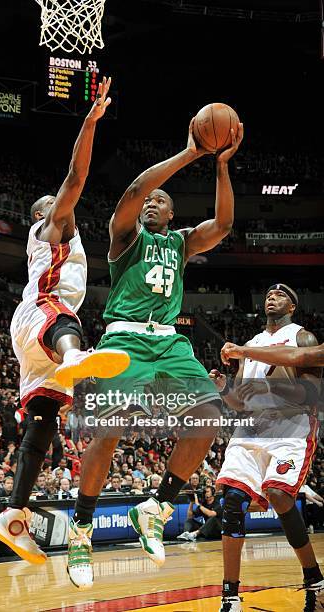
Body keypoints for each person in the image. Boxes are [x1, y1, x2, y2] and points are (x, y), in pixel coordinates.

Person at [68, 118, 243, 589]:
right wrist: (190, 153)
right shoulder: (126, 239)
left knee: (210, 416)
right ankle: (81, 528)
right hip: (124, 340)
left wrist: (221, 165)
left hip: (168, 341)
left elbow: (224, 224)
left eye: (160, 201)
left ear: (171, 215)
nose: (150, 202)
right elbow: (132, 190)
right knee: (108, 432)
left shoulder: (182, 243)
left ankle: (157, 505)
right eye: (149, 200)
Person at [0, 79, 130, 565]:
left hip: (32, 340)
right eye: (51, 202)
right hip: (43, 316)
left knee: (45, 422)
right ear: (40, 215)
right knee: (68, 325)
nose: (60, 203)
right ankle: (76, 356)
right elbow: (76, 176)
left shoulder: (57, 236)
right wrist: (90, 123)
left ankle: (13, 513)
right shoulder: (52, 227)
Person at [212, 284, 323, 611]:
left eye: (281, 293)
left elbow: (310, 395)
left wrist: (275, 387)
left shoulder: (302, 337)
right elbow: (240, 403)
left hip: (291, 423)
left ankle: (314, 580)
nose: (272, 296)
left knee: (278, 494)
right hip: (252, 426)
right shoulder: (250, 344)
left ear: (292, 304)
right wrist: (223, 389)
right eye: (268, 293)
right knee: (232, 500)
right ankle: (230, 596)